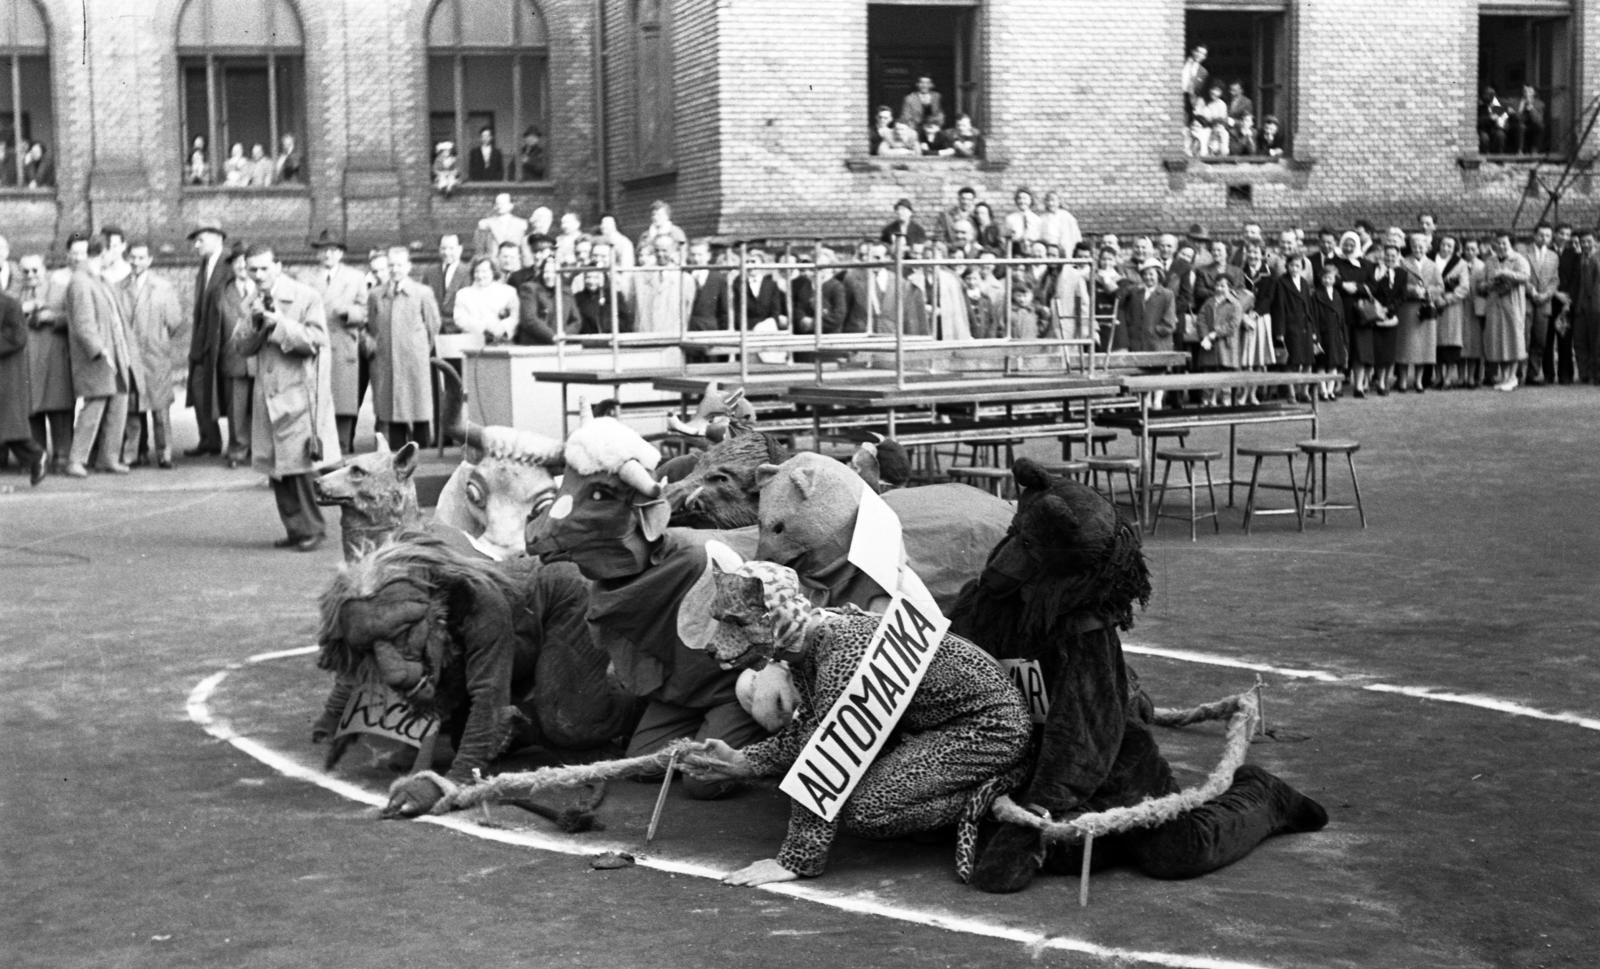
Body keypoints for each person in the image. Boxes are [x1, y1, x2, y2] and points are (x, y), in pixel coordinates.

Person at [682, 560, 1031, 887]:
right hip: (943, 726)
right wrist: (745, 760)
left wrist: (795, 860)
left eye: (739, 623)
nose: (718, 642)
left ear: (777, 617)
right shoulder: (817, 641)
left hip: (988, 730)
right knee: (864, 798)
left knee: (867, 811)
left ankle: (990, 799)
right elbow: (814, 732)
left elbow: (827, 762)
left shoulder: (841, 653)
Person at [234, 244, 340, 552]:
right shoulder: (250, 301)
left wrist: (279, 324)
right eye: (253, 269)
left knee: (299, 466)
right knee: (277, 468)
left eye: (265, 268)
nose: (258, 275)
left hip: (298, 392)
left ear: (278, 266)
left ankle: (314, 529)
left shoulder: (306, 297)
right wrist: (255, 325)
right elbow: (241, 347)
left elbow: (317, 340)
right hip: (267, 393)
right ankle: (295, 529)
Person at [63, 239, 133, 477]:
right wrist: (100, 351)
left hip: (117, 354)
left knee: (119, 403)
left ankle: (108, 458)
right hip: (99, 357)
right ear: (102, 254)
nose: (115, 255)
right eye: (112, 251)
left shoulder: (100, 279)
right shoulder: (80, 281)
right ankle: (76, 460)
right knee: (94, 406)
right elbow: (83, 324)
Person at [303, 230, 372, 455]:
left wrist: (348, 312)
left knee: (343, 403)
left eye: (333, 250)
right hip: (316, 345)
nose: (328, 255)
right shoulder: (305, 278)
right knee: (317, 401)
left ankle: (343, 447)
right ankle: (320, 450)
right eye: (323, 250)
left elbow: (365, 311)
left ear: (340, 253)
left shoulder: (355, 277)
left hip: (343, 344)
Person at [119, 242, 184, 469]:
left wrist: (158, 339)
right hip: (130, 355)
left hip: (155, 354)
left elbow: (175, 321)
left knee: (160, 408)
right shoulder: (120, 287)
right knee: (133, 408)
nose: (137, 262)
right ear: (128, 259)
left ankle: (164, 453)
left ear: (149, 260)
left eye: (141, 258)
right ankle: (134, 452)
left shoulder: (162, 287)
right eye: (133, 258)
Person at [368, 246, 439, 449]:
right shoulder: (376, 295)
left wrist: (417, 349)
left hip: (414, 362)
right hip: (388, 361)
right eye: (391, 265)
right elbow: (374, 327)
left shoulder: (422, 293)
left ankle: (425, 457)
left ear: (408, 266)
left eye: (399, 265)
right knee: (393, 411)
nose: (395, 269)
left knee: (419, 411)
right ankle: (398, 458)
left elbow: (433, 326)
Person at [19, 255, 71, 468]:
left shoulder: (60, 290)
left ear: (44, 269)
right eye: (26, 271)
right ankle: (36, 457)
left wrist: (53, 318)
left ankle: (62, 454)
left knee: (59, 409)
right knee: (31, 411)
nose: (31, 275)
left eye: (35, 270)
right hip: (27, 362)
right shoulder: (15, 295)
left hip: (55, 359)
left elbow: (76, 317)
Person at [185, 223, 231, 457]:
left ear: (216, 238)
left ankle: (238, 445)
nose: (196, 245)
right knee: (199, 389)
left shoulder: (230, 265)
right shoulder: (204, 265)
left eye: (201, 240)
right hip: (202, 342)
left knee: (231, 394)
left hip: (222, 342)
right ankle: (209, 440)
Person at [214, 243, 257, 468]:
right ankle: (237, 451)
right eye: (237, 261)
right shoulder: (222, 292)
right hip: (234, 358)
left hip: (260, 359)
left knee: (261, 407)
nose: (241, 266)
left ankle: (259, 451)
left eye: (245, 261)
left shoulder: (262, 289)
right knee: (236, 409)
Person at [0, 284, 44, 484]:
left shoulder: (9, 304)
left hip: (6, 375)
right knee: (8, 427)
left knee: (10, 426)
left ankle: (35, 457)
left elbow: (18, 338)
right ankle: (35, 458)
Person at [1479, 231, 1531, 391]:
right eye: (1498, 243)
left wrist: (1506, 273)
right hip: (1494, 305)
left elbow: (1525, 276)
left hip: (1513, 305)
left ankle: (1512, 376)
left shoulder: (1519, 259)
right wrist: (1488, 285)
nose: (1501, 246)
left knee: (1513, 339)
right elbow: (1482, 283)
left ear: (1510, 245)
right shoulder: (1490, 261)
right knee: (1498, 340)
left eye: (1505, 243)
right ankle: (1504, 376)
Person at [1395, 233, 1443, 393]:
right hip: (1408, 309)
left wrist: (1429, 292)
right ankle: (1402, 380)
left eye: (1421, 246)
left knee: (1424, 347)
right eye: (1415, 246)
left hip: (1426, 309)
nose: (1418, 249)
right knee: (1405, 346)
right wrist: (1411, 290)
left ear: (1427, 248)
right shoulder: (1403, 263)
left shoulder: (1433, 265)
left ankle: (1418, 380)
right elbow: (1397, 284)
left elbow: (1440, 286)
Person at [1524, 223, 1560, 385]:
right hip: (1527, 302)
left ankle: (1533, 373)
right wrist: (1532, 292)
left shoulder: (1553, 256)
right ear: (1534, 235)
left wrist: (1546, 294)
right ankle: (1518, 374)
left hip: (1544, 303)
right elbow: (1523, 276)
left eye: (1547, 235)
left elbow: (1555, 280)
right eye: (1541, 235)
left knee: (1540, 340)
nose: (1544, 238)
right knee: (1524, 338)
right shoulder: (1524, 253)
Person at [1432, 236, 1470, 389]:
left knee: (1451, 342)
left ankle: (1448, 377)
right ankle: (1438, 375)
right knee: (1434, 341)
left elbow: (1464, 287)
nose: (1445, 248)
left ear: (1454, 249)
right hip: (1433, 305)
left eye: (1449, 246)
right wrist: (1434, 297)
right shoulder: (1431, 260)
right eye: (1443, 244)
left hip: (1451, 307)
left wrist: (1448, 299)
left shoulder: (1460, 264)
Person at [452, 255, 517, 343]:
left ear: (493, 272)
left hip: (502, 340)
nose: (480, 275)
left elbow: (515, 316)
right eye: (477, 271)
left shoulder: (508, 292)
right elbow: (460, 318)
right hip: (471, 341)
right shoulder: (463, 294)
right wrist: (483, 327)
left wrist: (502, 327)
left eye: (484, 271)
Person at [1311, 261, 1348, 400]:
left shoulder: (1337, 295)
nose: (1327, 280)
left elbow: (1342, 316)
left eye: (1330, 278)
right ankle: (1323, 390)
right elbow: (1314, 316)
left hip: (1335, 334)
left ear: (1335, 279)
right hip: (1323, 333)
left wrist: (1343, 336)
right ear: (1321, 278)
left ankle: (1331, 390)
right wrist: (1315, 336)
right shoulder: (1316, 295)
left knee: (1334, 363)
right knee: (1321, 363)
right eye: (1325, 277)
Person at [420, 233, 468, 335]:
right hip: (434, 331)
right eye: (443, 248)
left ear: (460, 249)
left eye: (451, 248)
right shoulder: (430, 272)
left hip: (460, 331)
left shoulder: (469, 272)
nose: (446, 252)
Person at [1572, 229, 1600, 384]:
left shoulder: (1597, 258)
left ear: (1595, 241)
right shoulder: (1579, 258)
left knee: (1597, 341)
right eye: (1582, 242)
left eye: (1589, 241)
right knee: (1580, 341)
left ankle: (1597, 374)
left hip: (1596, 307)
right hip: (1580, 307)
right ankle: (1584, 374)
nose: (1585, 244)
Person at [1462, 237, 1489, 389]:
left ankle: (1473, 376)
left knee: (1475, 343)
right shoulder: (1460, 265)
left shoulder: (1483, 266)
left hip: (1476, 307)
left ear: (1478, 251)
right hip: (1462, 306)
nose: (1470, 252)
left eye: (1473, 249)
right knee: (1463, 342)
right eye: (1467, 249)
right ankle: (1462, 376)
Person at [473, 192, 529, 262]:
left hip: (514, 261)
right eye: (497, 204)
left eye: (503, 203)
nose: (500, 206)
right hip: (494, 262)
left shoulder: (521, 223)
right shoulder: (486, 223)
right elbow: (480, 247)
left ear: (511, 205)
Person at [1038, 191, 1082, 259]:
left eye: (1053, 200)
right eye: (1048, 200)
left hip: (1065, 250)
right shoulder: (1041, 219)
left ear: (1059, 201)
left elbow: (1076, 235)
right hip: (1050, 252)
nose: (1051, 203)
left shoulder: (1067, 216)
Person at [1002, 187, 1041, 255]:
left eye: (1025, 198)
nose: (1022, 201)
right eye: (1019, 198)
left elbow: (1038, 236)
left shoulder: (1037, 219)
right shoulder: (1010, 219)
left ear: (1030, 200)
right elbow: (1006, 238)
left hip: (1032, 250)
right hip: (1016, 250)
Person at [1509, 85, 1545, 155]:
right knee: (1521, 127)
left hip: (1532, 125)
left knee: (1540, 126)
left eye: (1529, 91)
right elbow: (1515, 117)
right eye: (1525, 91)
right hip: (1518, 124)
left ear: (1533, 93)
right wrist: (1520, 109)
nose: (1526, 93)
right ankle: (1519, 151)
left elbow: (1538, 120)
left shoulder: (1540, 104)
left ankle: (1534, 151)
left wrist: (1531, 108)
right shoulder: (1515, 102)